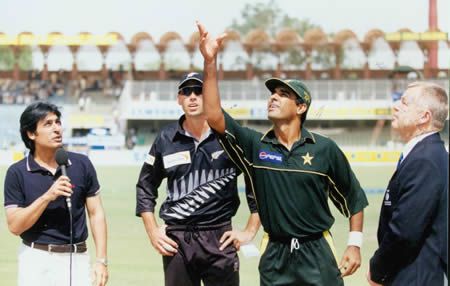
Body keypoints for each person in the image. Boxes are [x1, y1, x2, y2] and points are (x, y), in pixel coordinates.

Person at [197, 22, 369, 286]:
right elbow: (214, 116)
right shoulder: (255, 145)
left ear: (301, 107)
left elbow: (354, 198)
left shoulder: (324, 149)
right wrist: (210, 62)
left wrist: (354, 245)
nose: (273, 98)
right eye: (272, 93)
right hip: (275, 254)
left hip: (317, 253)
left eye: (283, 94)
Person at [135, 72, 260, 286]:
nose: (192, 97)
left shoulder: (229, 137)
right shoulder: (165, 139)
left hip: (220, 237)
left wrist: (250, 230)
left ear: (210, 96)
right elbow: (145, 186)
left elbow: (257, 181)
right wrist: (153, 231)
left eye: (199, 91)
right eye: (186, 91)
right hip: (178, 241)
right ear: (179, 99)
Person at [3, 102, 108, 286]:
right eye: (48, 124)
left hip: (77, 259)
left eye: (58, 122)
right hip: (35, 259)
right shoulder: (16, 172)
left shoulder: (82, 164)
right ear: (31, 134)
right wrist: (46, 197)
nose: (57, 129)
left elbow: (96, 213)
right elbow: (14, 226)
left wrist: (101, 261)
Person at [368, 82, 448, 286]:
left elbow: (405, 231)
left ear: (424, 117)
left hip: (415, 277)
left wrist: (377, 270)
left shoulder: (425, 160)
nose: (395, 106)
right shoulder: (427, 155)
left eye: (404, 102)